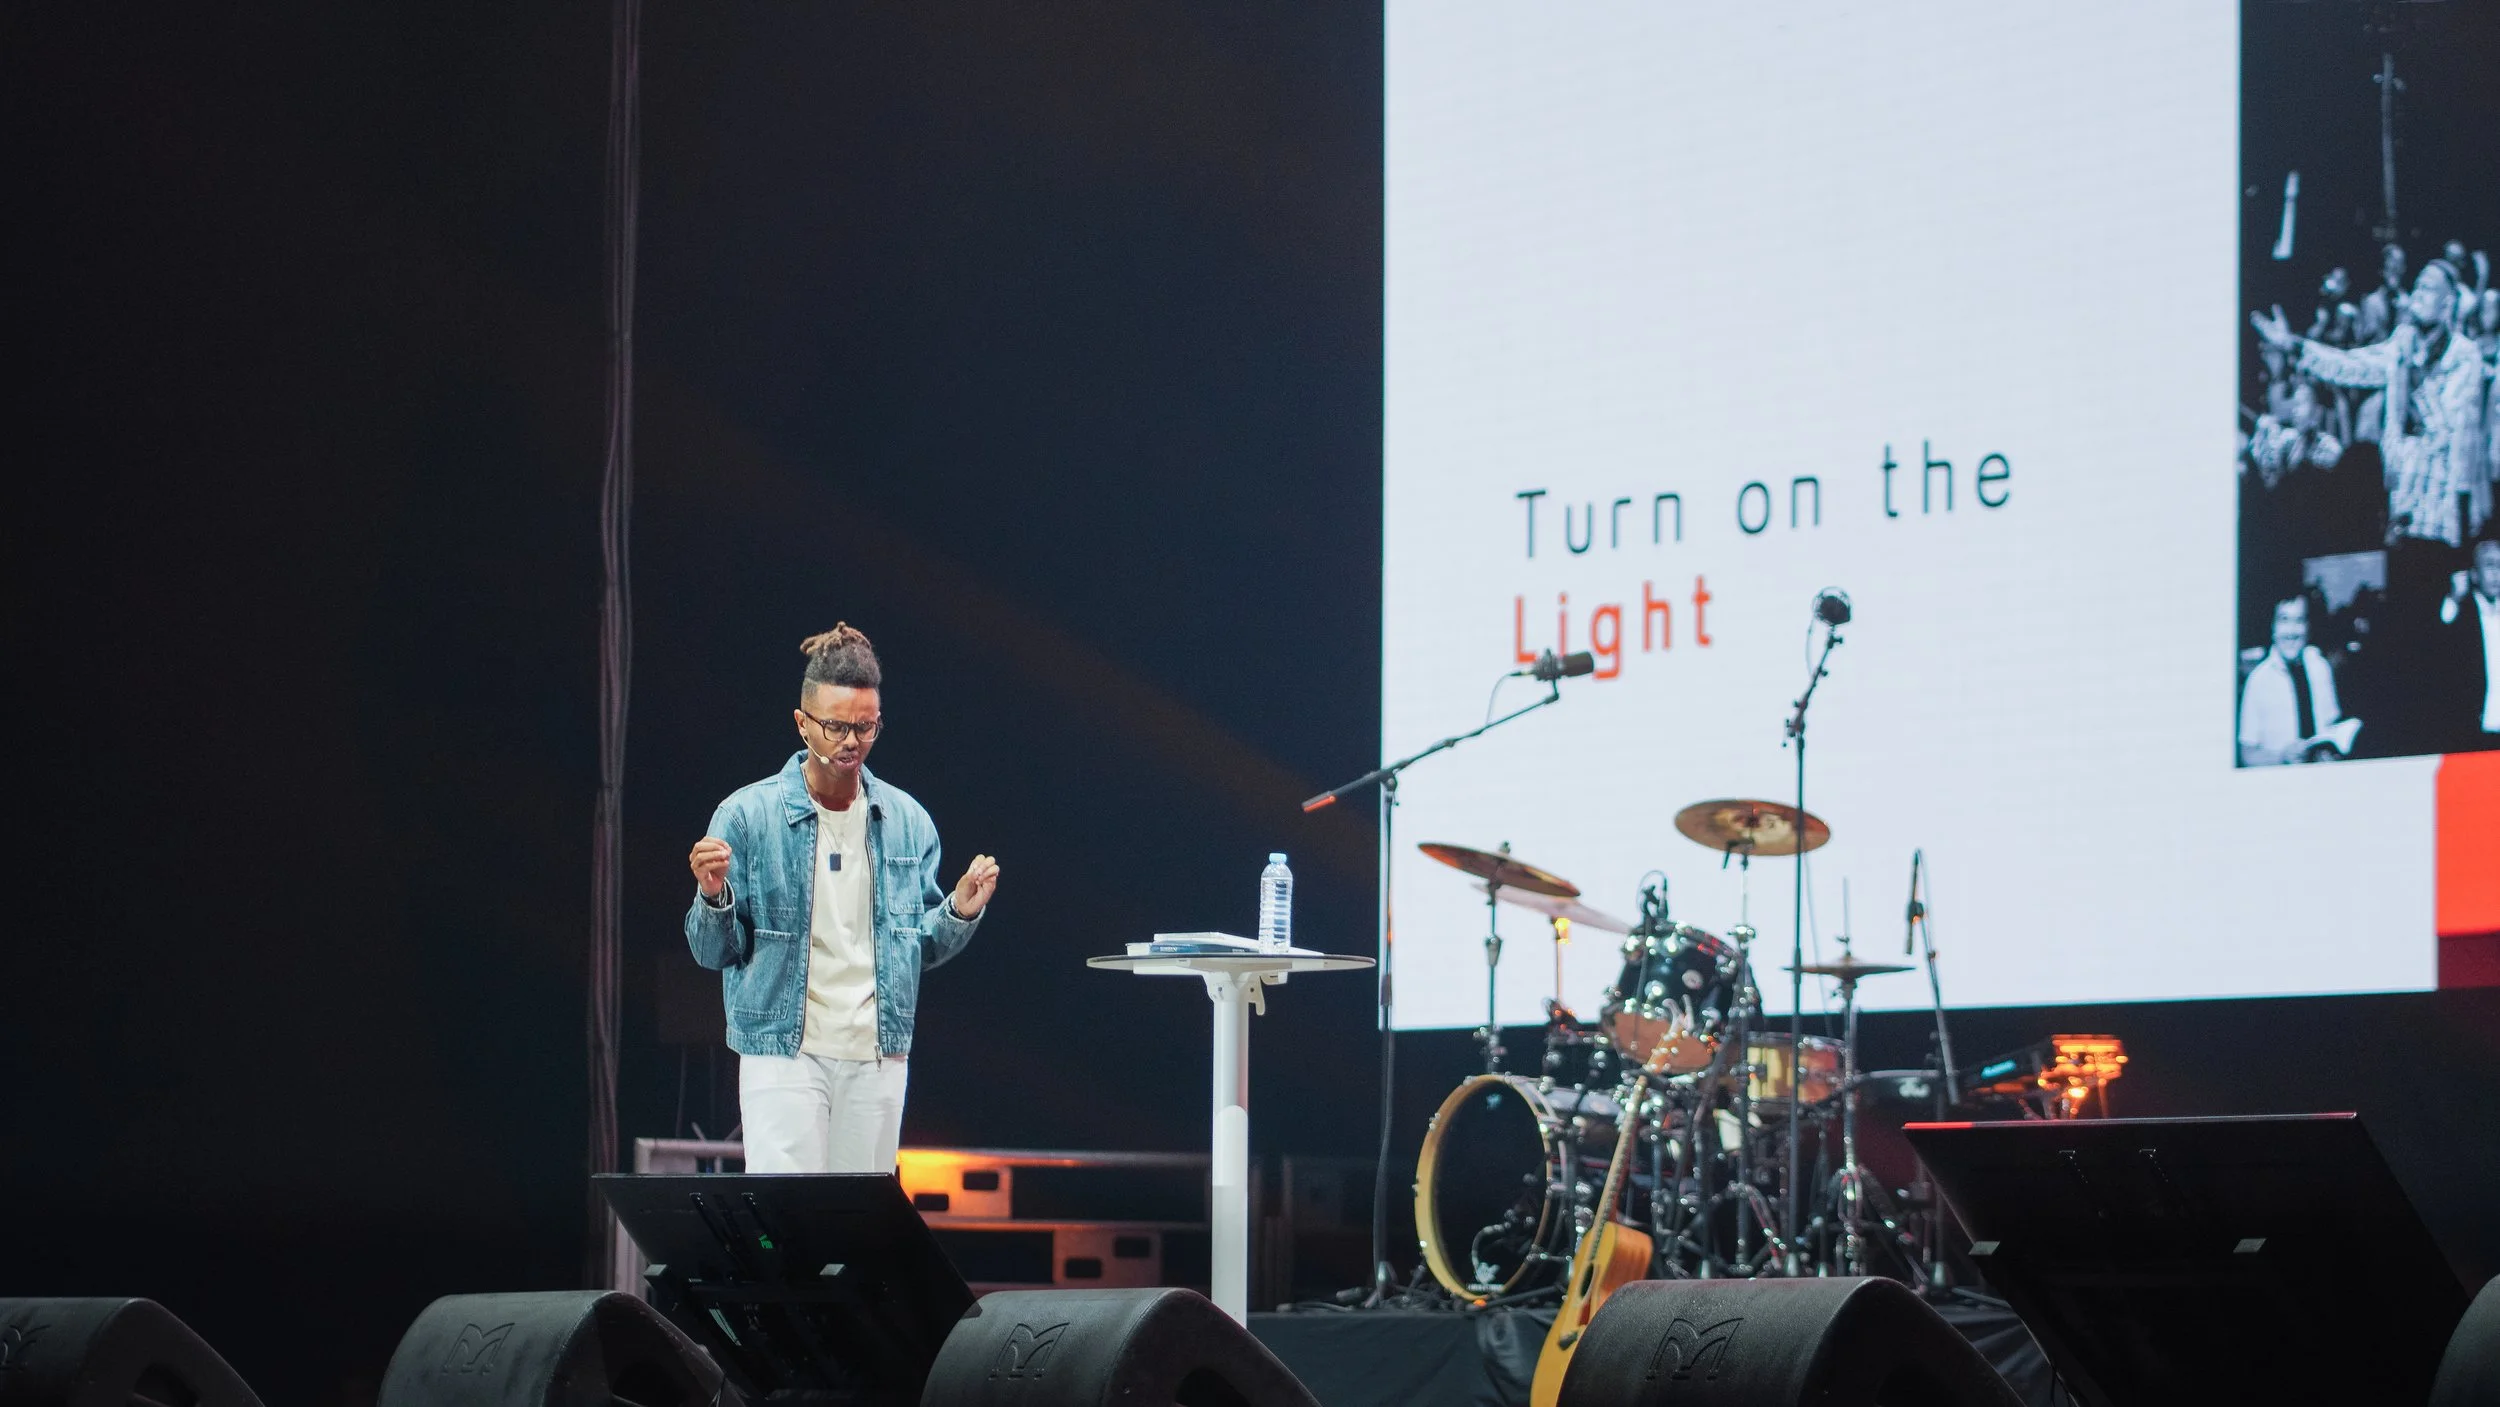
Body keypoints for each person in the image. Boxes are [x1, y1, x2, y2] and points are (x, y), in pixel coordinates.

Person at [684, 624, 1001, 1173]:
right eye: (835, 726)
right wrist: (712, 896)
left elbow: (918, 947)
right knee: (785, 1214)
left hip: (876, 1054)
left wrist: (960, 910)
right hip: (783, 1052)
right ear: (802, 723)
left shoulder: (908, 821)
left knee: (859, 1216)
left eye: (865, 726)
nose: (851, 741)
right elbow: (713, 952)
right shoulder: (747, 816)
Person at [2254, 259, 2487, 549]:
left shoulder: (2464, 356)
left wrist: (2412, 368)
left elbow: (2446, 427)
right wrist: (2293, 345)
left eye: (2427, 288)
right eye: (2417, 286)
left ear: (2447, 302)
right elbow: (2351, 366)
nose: (2417, 294)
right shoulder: (2401, 345)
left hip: (2438, 504)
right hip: (2398, 501)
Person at [2238, 594, 2355, 766]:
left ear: (2307, 627)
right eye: (2284, 620)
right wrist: (2281, 757)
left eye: (2299, 620)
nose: (2291, 631)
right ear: (2273, 627)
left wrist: (2329, 751)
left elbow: (2331, 726)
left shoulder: (2321, 668)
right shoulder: (2258, 681)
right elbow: (2247, 755)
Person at [2438, 537, 2500, 743]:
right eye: (2490, 565)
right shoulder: (2462, 616)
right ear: (2474, 573)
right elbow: (2438, 638)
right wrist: (2454, 598)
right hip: (2473, 730)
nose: (2496, 573)